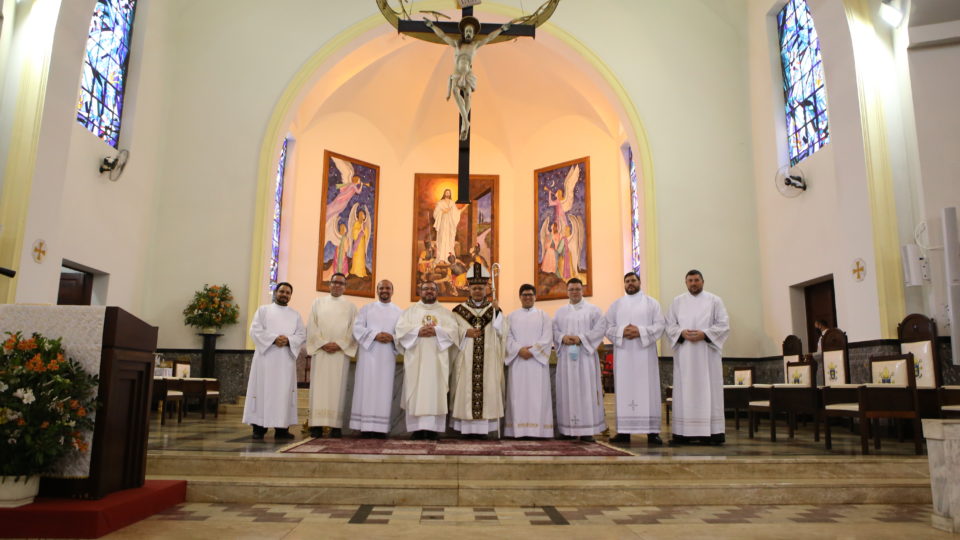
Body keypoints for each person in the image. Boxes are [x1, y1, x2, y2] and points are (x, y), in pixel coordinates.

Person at [665, 269, 730, 446]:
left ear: (703, 281)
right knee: (684, 391)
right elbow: (669, 325)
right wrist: (681, 333)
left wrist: (705, 334)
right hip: (685, 355)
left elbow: (724, 325)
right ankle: (683, 433)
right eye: (690, 281)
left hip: (707, 354)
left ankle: (712, 433)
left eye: (696, 280)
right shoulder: (677, 302)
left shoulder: (715, 300)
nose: (693, 283)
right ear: (685, 283)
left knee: (709, 390)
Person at [423, 16, 513, 140]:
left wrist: (502, 29)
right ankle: (466, 122)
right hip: (457, 72)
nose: (469, 33)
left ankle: (464, 127)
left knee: (468, 96)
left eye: (471, 31)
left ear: (474, 33)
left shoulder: (475, 45)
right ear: (464, 33)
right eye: (467, 31)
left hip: (468, 73)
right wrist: (432, 26)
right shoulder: (456, 44)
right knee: (455, 90)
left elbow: (489, 37)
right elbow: (443, 36)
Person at [604, 272, 666, 445]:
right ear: (624, 284)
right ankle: (624, 432)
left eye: (633, 280)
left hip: (644, 355)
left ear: (639, 282)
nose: (630, 283)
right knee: (624, 390)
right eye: (627, 281)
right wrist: (622, 331)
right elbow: (607, 325)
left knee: (648, 390)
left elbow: (660, 325)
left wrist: (640, 331)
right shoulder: (617, 305)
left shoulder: (651, 303)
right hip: (623, 355)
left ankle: (652, 432)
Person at [395, 281, 459, 439]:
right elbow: (400, 331)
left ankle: (433, 430)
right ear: (420, 291)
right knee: (416, 391)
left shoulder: (445, 313)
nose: (429, 291)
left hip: (437, 363)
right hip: (416, 361)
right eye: (425, 289)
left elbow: (454, 332)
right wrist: (418, 331)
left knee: (435, 392)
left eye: (432, 289)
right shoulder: (409, 312)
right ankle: (417, 430)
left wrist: (436, 331)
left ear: (437, 292)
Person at [242, 282, 306, 440]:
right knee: (262, 390)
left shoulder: (295, 315)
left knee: (283, 393)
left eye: (288, 292)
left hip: (285, 360)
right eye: (282, 291)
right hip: (266, 359)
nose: (284, 294)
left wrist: (289, 340)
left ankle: (282, 429)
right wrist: (273, 339)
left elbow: (301, 335)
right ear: (275, 292)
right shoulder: (263, 311)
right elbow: (255, 330)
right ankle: (259, 428)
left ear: (291, 296)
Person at [450, 263, 506, 439]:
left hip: (488, 358)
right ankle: (466, 430)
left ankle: (483, 431)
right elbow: (451, 331)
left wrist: (497, 313)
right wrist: (465, 332)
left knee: (487, 389)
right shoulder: (459, 311)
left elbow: (501, 332)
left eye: (481, 288)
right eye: (474, 288)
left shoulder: (493, 309)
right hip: (466, 359)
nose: (477, 291)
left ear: (486, 289)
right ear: (469, 289)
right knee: (466, 390)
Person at [553, 277, 608, 442]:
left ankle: (587, 431)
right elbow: (554, 330)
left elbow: (600, 329)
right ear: (567, 291)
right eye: (571, 289)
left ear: (582, 290)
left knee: (586, 392)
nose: (574, 292)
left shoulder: (593, 310)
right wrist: (563, 337)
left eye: (577, 289)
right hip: (566, 361)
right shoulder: (560, 312)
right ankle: (566, 429)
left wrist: (581, 338)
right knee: (566, 391)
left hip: (585, 357)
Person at [306, 272, 358, 438]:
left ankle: (336, 426)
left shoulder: (351, 307)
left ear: (345, 286)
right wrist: (322, 343)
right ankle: (316, 426)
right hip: (321, 353)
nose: (337, 285)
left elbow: (353, 330)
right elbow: (312, 326)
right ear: (329, 284)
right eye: (334, 282)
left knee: (339, 389)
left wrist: (340, 344)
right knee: (319, 389)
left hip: (339, 354)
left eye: (341, 283)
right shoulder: (317, 303)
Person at [349, 280, 403, 438]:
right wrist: (375, 335)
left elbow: (403, 332)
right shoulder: (366, 309)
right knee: (365, 389)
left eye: (387, 288)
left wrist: (392, 337)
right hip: (368, 356)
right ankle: (365, 427)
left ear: (392, 291)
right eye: (381, 288)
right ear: (377, 291)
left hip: (387, 357)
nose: (384, 290)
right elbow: (357, 328)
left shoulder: (400, 312)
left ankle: (380, 429)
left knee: (384, 391)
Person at [504, 284, 554, 439]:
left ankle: (538, 431)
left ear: (535, 296)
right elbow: (507, 337)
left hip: (536, 364)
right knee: (517, 397)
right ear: (520, 297)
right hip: (518, 362)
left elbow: (547, 338)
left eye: (530, 294)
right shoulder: (511, 316)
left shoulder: (543, 315)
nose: (527, 297)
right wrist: (519, 349)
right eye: (524, 295)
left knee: (537, 397)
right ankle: (517, 431)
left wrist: (532, 351)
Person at [433, 189, 463, 263]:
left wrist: (463, 208)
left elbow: (456, 213)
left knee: (449, 239)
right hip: (443, 222)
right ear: (444, 193)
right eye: (446, 192)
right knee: (442, 239)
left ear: (450, 194)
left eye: (449, 193)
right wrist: (443, 211)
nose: (447, 194)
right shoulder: (440, 203)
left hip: (450, 223)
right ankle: (441, 258)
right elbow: (435, 213)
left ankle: (450, 257)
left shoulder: (452, 203)